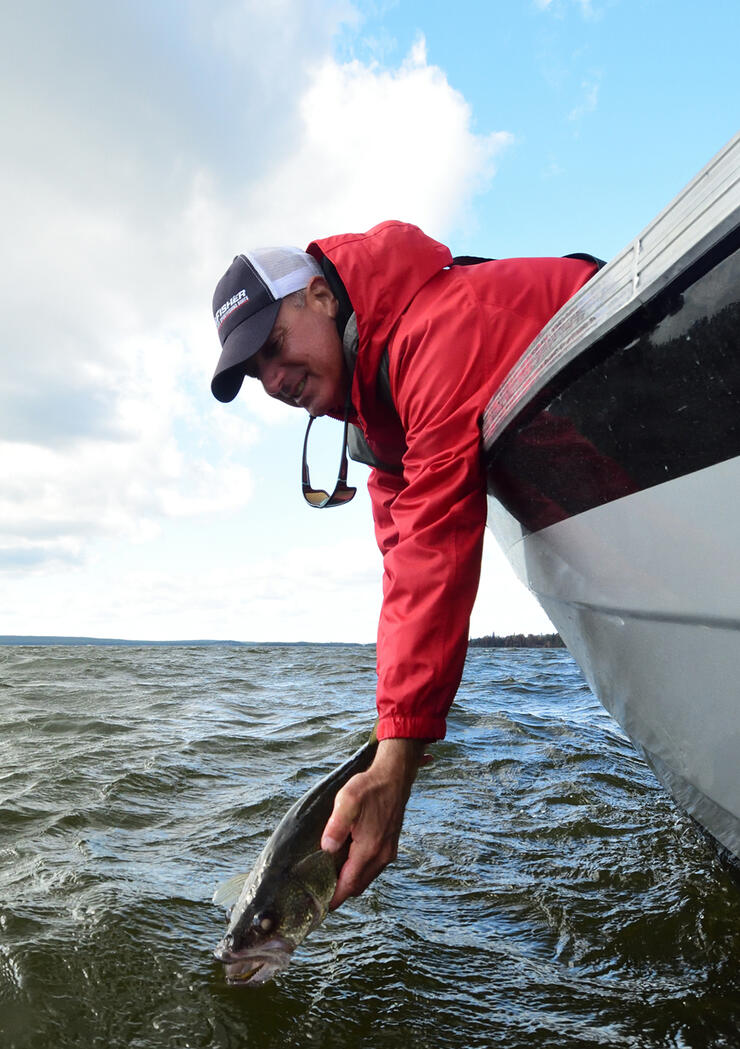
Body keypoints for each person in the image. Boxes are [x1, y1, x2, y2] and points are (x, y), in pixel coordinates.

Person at [210, 220, 598, 910]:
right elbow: (403, 573)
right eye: (254, 370)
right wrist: (392, 738)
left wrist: (396, 760)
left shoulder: (435, 331)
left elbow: (436, 543)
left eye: (274, 346)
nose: (272, 380)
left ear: (324, 298)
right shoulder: (376, 421)